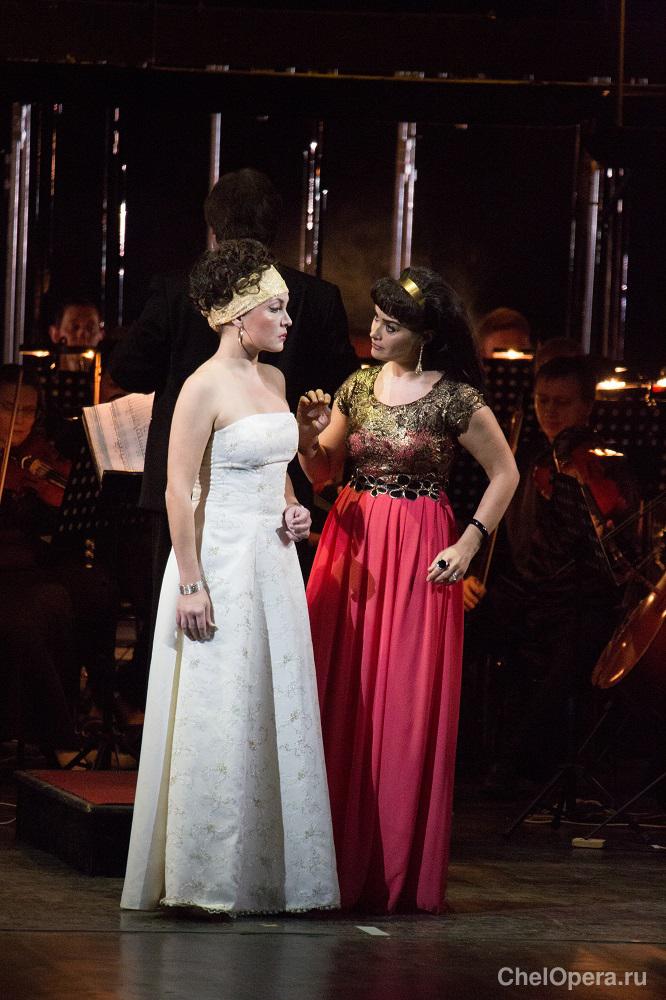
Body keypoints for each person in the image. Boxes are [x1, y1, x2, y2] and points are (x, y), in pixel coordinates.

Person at [121, 239, 339, 916]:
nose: (287, 319)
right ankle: (207, 873)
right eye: (276, 308)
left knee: (271, 702)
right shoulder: (201, 386)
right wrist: (191, 582)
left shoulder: (274, 383)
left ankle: (269, 875)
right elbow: (179, 489)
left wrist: (294, 510)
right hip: (218, 559)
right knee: (220, 704)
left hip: (272, 564)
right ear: (238, 316)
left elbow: (277, 475)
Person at [296, 267, 519, 914]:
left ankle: (390, 867)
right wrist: (309, 434)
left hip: (420, 547)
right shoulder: (357, 385)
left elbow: (505, 473)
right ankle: (324, 861)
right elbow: (321, 472)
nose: (374, 332)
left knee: (402, 700)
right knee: (339, 689)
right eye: (375, 319)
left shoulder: (454, 398)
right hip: (353, 545)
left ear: (424, 334)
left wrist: (469, 543)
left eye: (390, 326)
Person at [110, 169, 356, 694]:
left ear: (213, 227)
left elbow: (129, 370)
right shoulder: (316, 296)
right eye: (275, 310)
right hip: (202, 493)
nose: (285, 319)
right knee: (195, 637)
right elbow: (344, 384)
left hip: (273, 495)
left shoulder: (175, 291)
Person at [462, 356, 638, 789]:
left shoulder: (603, 463)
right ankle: (460, 755)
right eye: (543, 401)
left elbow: (617, 547)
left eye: (563, 402)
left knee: (568, 654)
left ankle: (515, 766)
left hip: (579, 598)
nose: (551, 412)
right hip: (526, 591)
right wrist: (474, 573)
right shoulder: (523, 460)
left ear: (587, 406)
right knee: (457, 629)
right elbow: (502, 536)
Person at [0, 365, 117, 759]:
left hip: (33, 568)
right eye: (8, 407)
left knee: (84, 592)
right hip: (7, 574)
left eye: (28, 410)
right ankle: (53, 735)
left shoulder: (39, 456)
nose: (19, 419)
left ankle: (90, 706)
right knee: (39, 610)